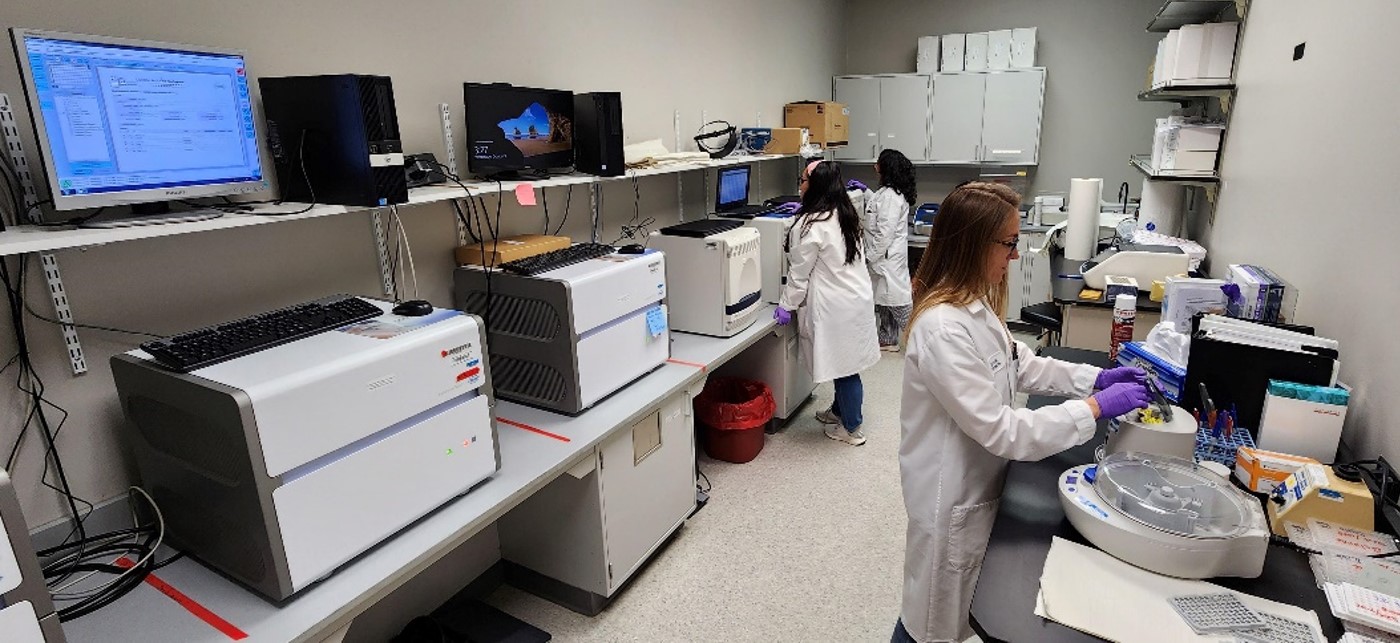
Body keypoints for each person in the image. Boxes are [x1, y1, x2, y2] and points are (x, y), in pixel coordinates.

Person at [892, 182, 1150, 643]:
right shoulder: (942, 330)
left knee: (952, 614)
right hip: (950, 499)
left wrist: (1093, 380)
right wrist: (1093, 409)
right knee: (929, 625)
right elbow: (1003, 431)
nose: (1015, 255)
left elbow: (1021, 363)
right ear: (974, 244)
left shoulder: (974, 305)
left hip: (980, 486)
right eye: (1009, 243)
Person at [774, 160, 880, 446]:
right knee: (842, 362)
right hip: (854, 298)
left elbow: (799, 275)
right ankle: (838, 410)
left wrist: (787, 305)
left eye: (803, 180)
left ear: (815, 185)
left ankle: (852, 428)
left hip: (835, 305)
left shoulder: (810, 225)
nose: (800, 184)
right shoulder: (844, 213)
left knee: (845, 369)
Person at [864, 149, 916, 351]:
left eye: (878, 163)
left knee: (898, 301)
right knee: (884, 299)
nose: (875, 166)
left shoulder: (890, 197)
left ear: (886, 168)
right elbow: (878, 206)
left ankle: (921, 338)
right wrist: (866, 192)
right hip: (887, 258)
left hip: (886, 258)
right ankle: (887, 338)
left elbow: (884, 233)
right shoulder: (888, 193)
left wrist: (869, 257)